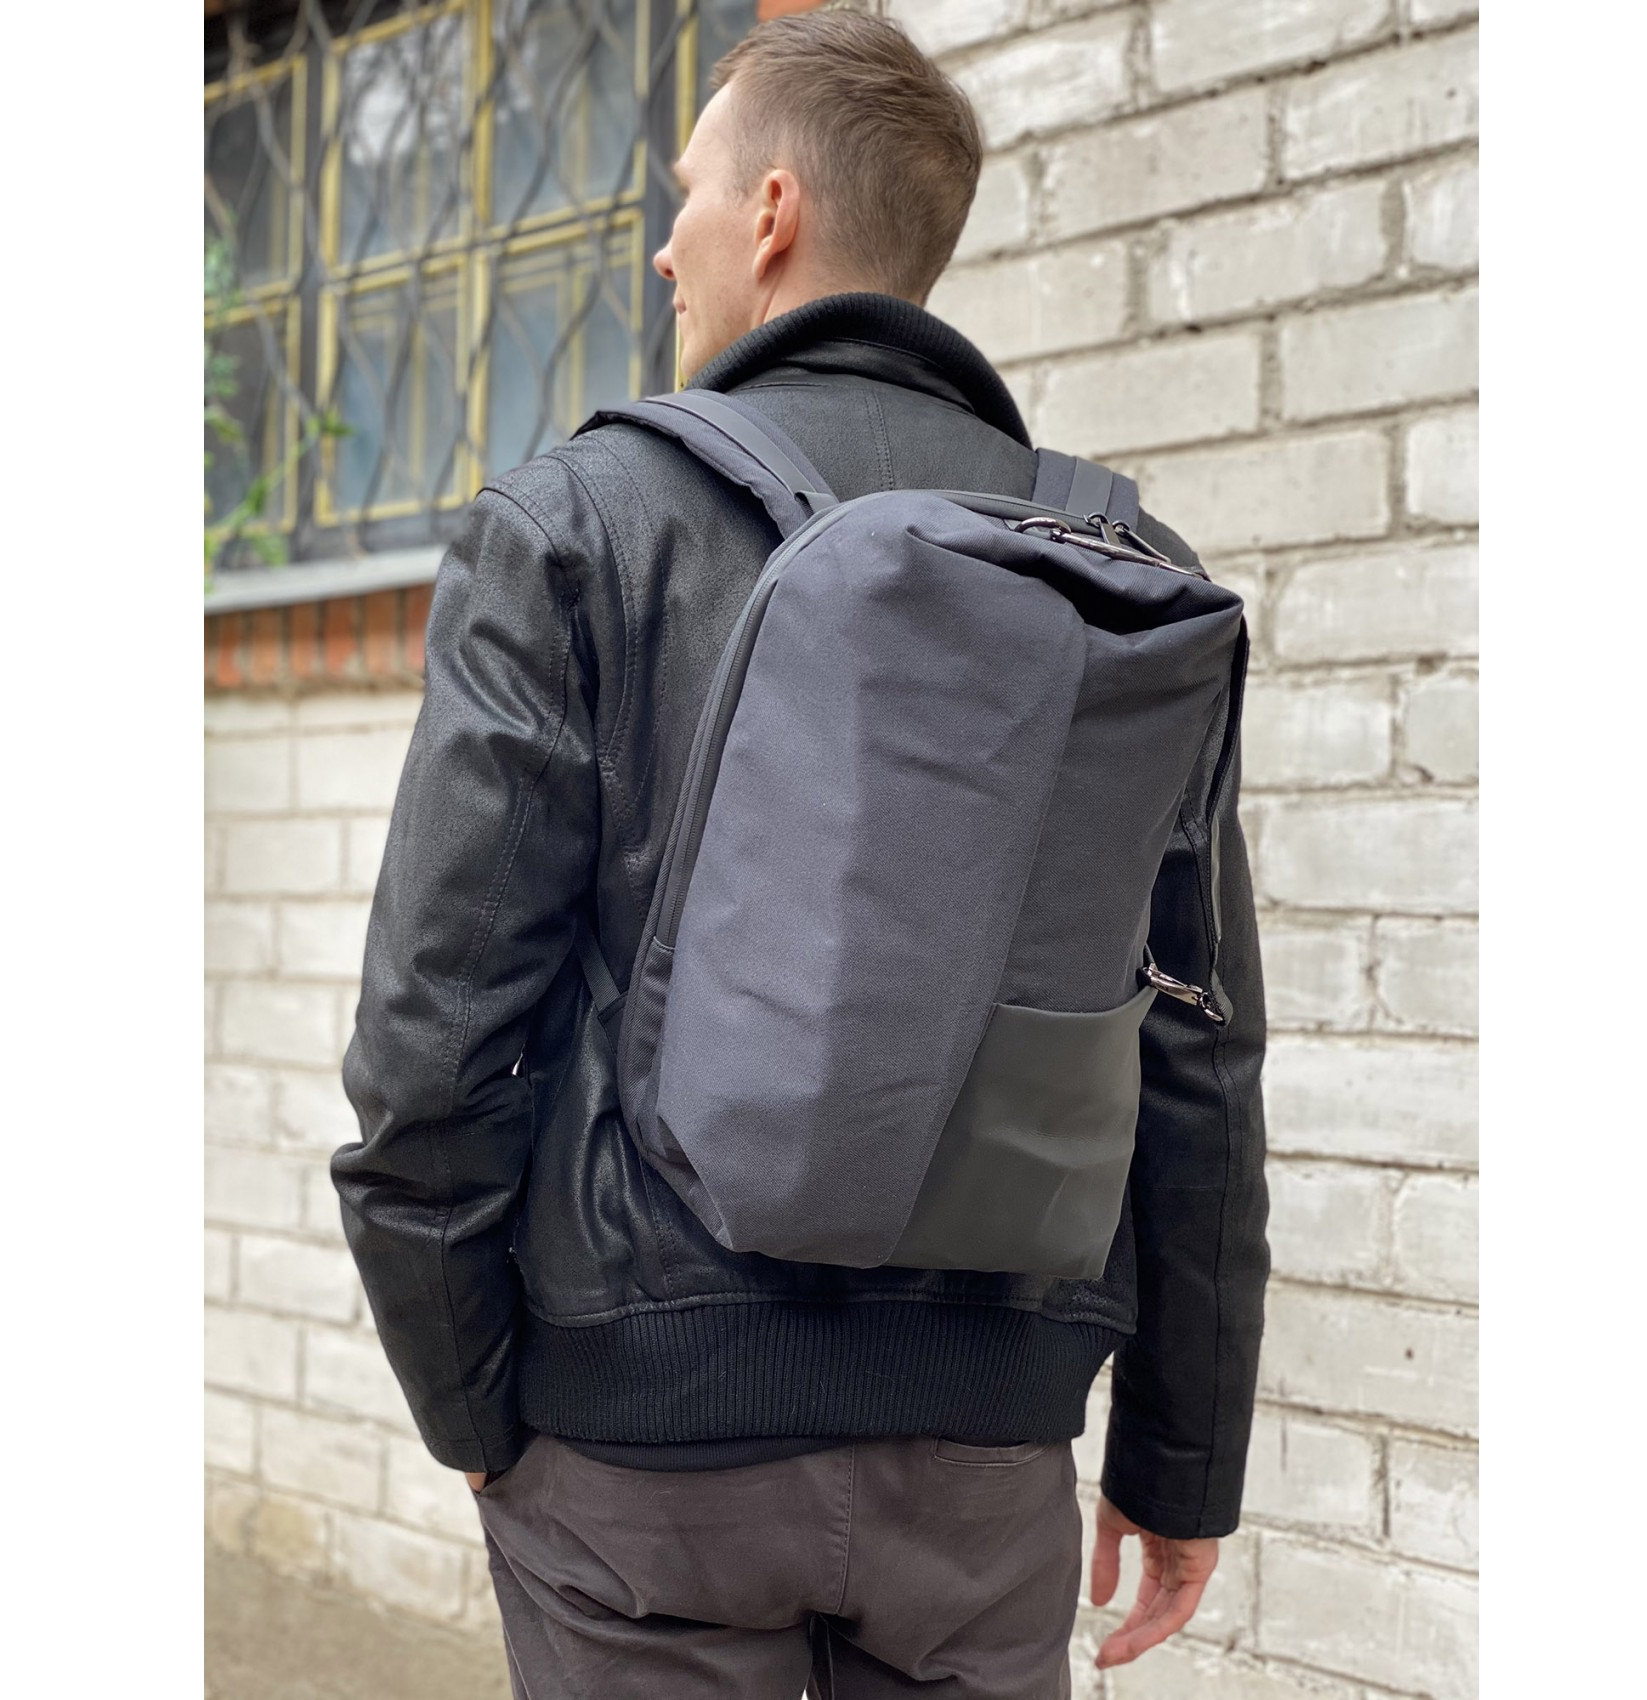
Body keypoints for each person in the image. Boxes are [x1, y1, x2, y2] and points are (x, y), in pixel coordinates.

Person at [332, 13, 1269, 1697]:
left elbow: (436, 1035)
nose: (663, 243)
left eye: (685, 192)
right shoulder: (1124, 569)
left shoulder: (576, 525)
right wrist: (1181, 1461)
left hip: (640, 1457)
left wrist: (472, 1403)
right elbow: (1197, 1048)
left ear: (771, 214)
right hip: (986, 1457)